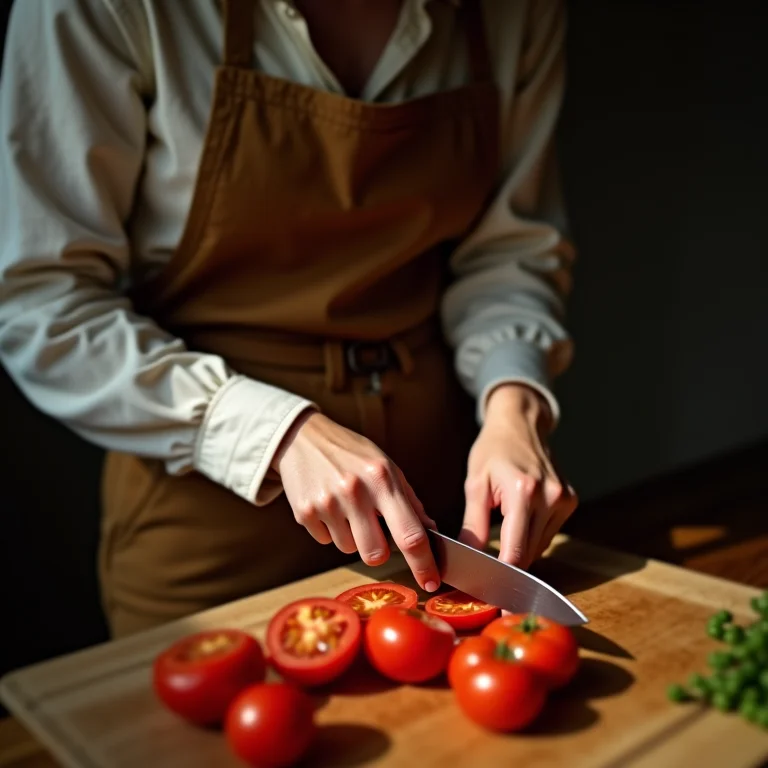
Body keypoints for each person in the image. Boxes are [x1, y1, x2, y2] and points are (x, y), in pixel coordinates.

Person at [0, 0, 577, 637]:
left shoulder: (516, 12)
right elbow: (42, 302)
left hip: (433, 499)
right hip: (208, 517)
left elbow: (510, 250)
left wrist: (514, 408)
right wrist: (277, 432)